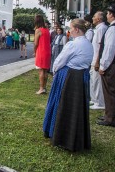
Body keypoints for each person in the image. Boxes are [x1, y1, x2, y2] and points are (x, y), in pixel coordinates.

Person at [43, 18, 93, 152]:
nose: (69, 31)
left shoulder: (73, 44)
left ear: (76, 29)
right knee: (76, 108)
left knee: (60, 104)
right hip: (81, 77)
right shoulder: (89, 44)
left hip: (69, 76)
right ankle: (74, 136)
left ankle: (57, 132)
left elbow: (59, 61)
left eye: (70, 28)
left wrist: (54, 71)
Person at [89, 11, 108, 110]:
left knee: (97, 82)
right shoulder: (98, 29)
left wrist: (97, 62)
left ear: (99, 19)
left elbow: (101, 47)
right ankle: (94, 99)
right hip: (93, 59)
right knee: (93, 80)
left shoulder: (102, 29)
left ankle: (100, 103)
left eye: (94, 17)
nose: (92, 18)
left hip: (97, 60)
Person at [34, 15, 51, 94]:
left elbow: (36, 43)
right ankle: (44, 88)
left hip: (41, 51)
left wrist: (34, 51)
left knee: (41, 71)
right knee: (45, 71)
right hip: (47, 51)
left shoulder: (38, 30)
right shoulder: (47, 30)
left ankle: (41, 89)